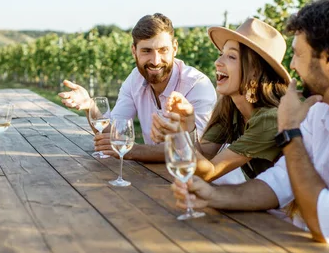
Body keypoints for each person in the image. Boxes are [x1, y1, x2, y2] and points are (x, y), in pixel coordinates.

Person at [173, 0, 329, 253]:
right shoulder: (321, 110)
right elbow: (278, 182)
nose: (292, 65)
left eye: (298, 54)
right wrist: (216, 195)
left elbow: (328, 222)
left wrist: (290, 131)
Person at [59, 13, 217, 162]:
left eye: (163, 50)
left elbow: (200, 152)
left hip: (213, 185)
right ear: (134, 51)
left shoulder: (197, 85)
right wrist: (91, 106)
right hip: (163, 179)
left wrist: (133, 151)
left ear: (174, 48)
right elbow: (115, 134)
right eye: (147, 51)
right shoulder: (135, 79)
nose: (155, 61)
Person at [151, 18, 290, 183]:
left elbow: (209, 172)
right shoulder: (229, 108)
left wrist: (178, 137)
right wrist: (188, 124)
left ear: (255, 70)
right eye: (220, 54)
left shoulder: (269, 119)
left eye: (231, 56)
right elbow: (202, 161)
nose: (218, 62)